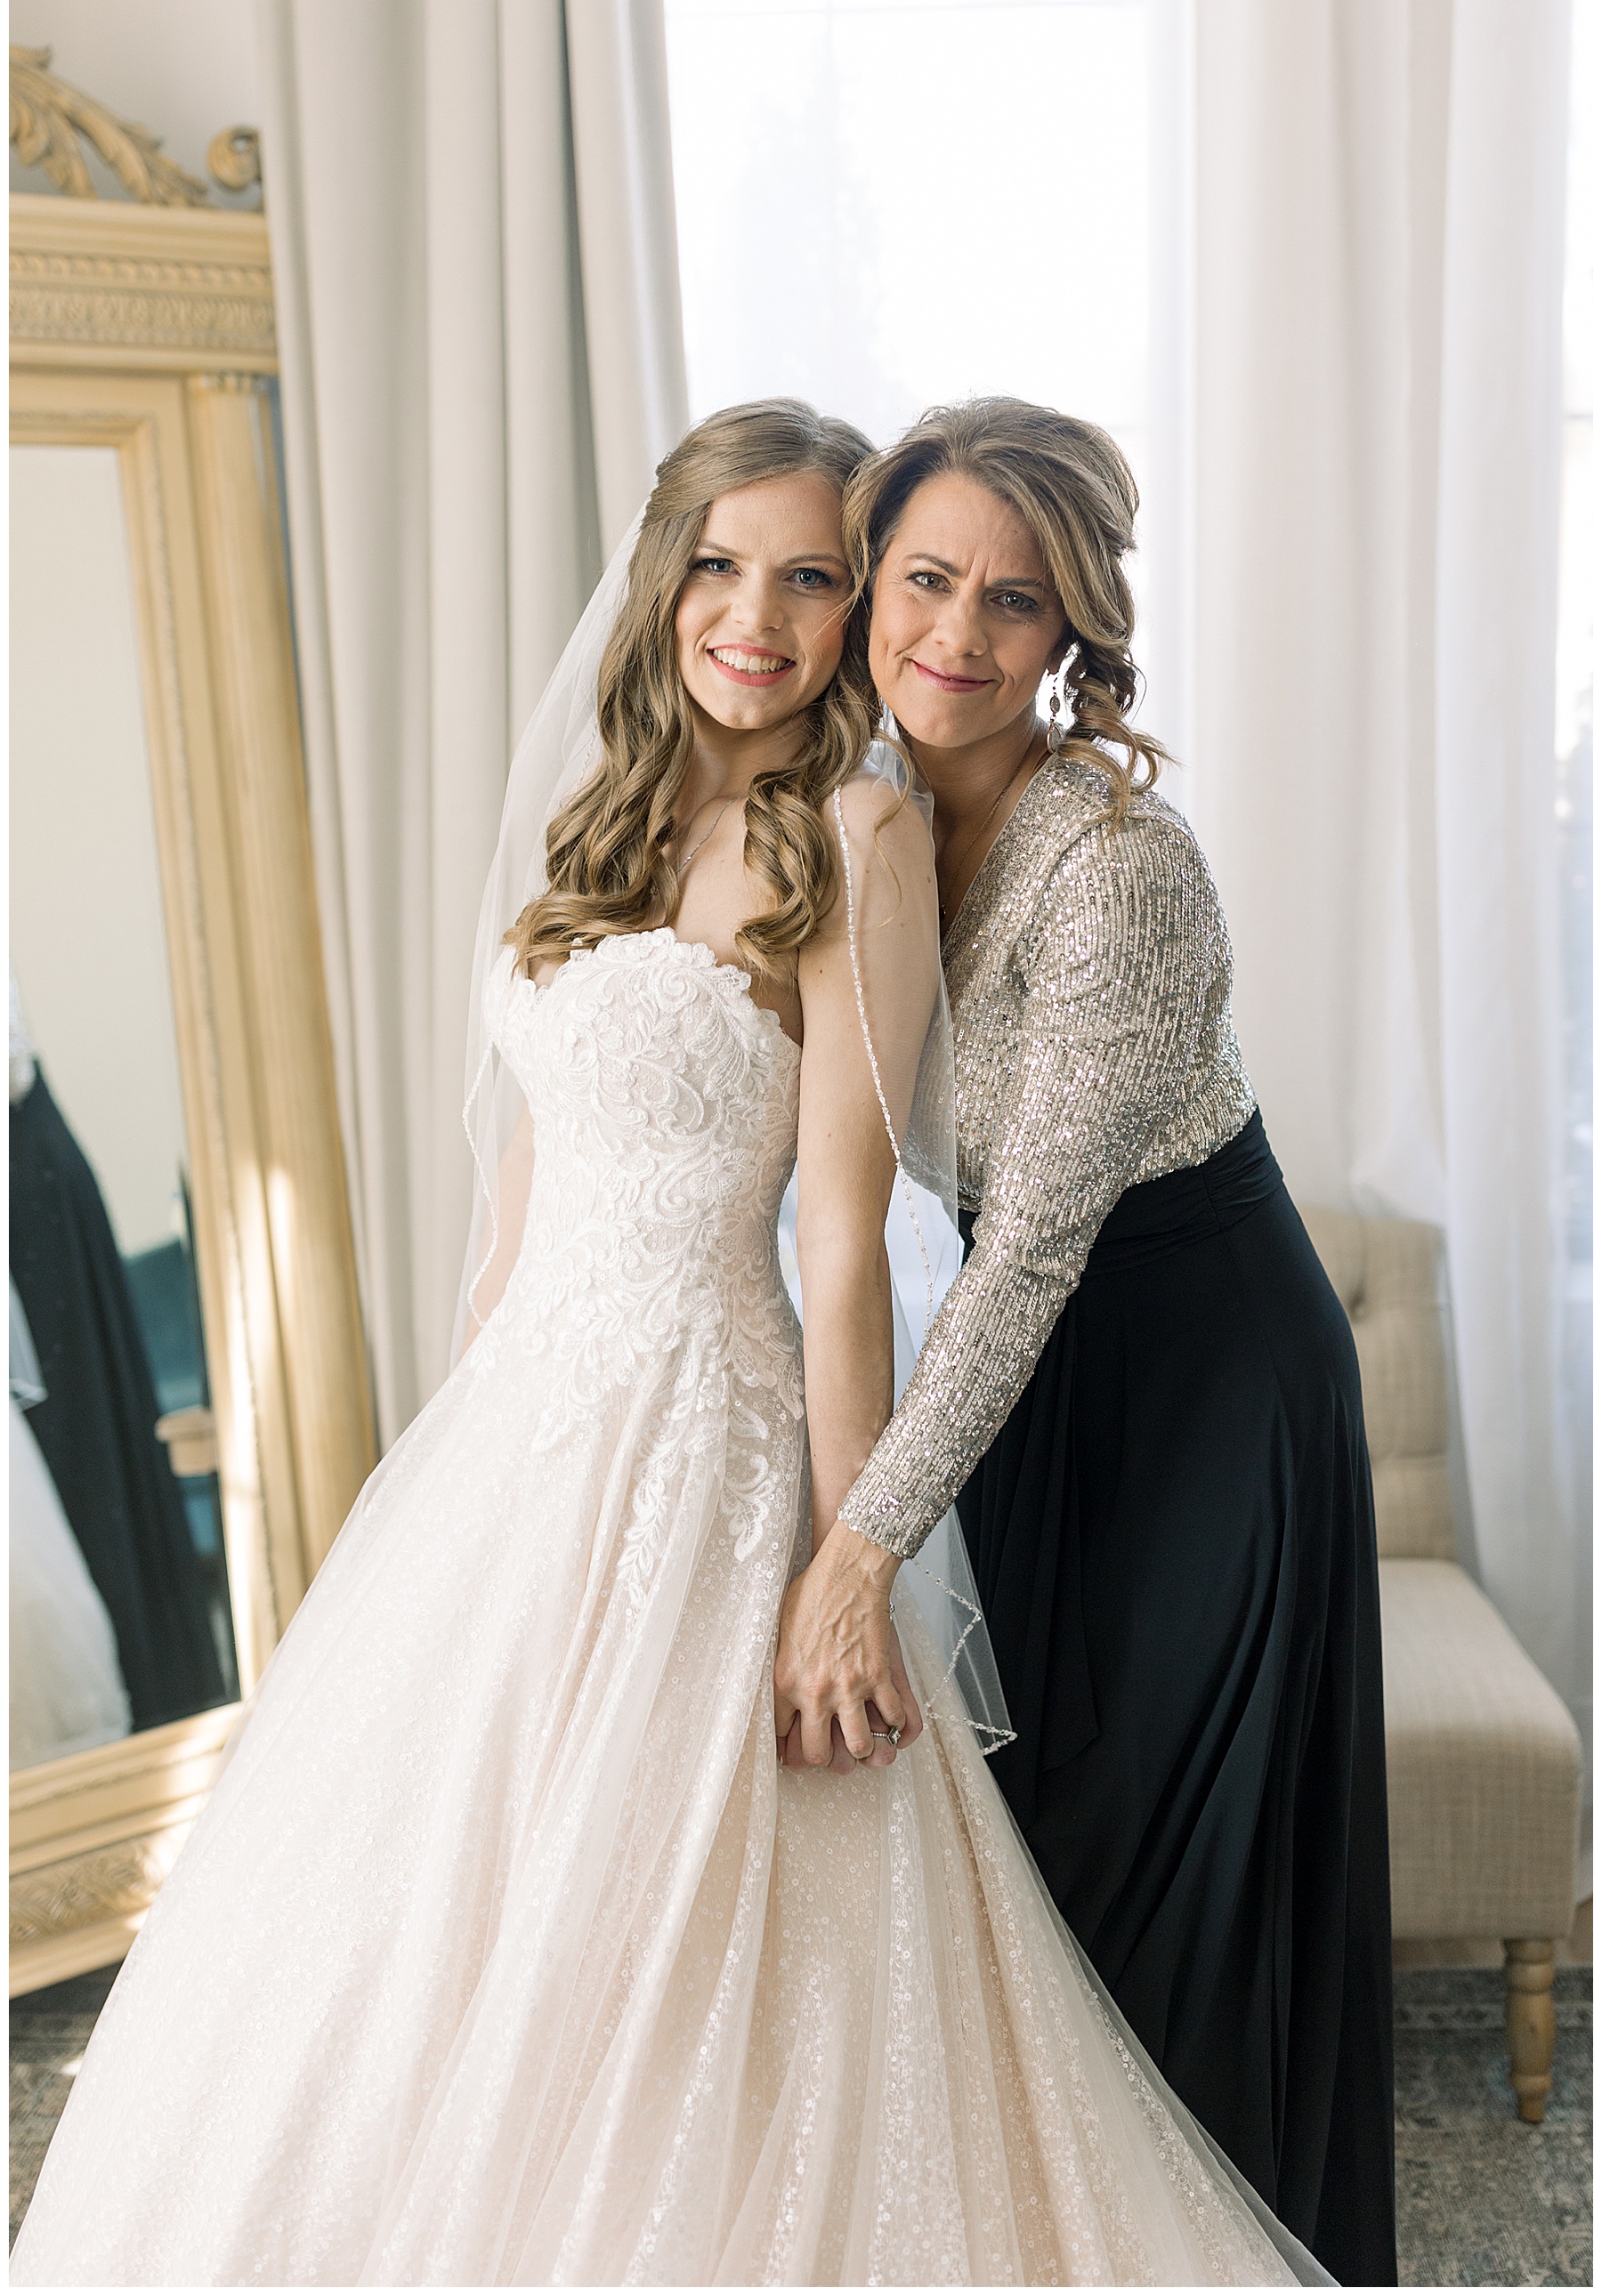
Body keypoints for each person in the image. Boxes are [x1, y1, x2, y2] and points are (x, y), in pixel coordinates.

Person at [13, 401, 1318, 2288]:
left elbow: (847, 1245)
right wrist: (453, 1450)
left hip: (709, 1430)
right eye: (720, 563)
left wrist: (852, 1559)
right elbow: (527, 1181)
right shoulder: (605, 817)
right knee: (418, 1921)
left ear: (853, 610)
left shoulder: (860, 834)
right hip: (521, 1440)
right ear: (663, 575)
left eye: (810, 577)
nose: (756, 617)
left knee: (695, 1934)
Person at [776, 398, 1396, 2288]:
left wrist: (857, 1550)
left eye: (1014, 600)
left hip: (1204, 1390)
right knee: (1037, 1886)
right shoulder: (877, 823)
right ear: (869, 583)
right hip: (1045, 1376)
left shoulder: (1117, 865)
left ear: (1074, 633)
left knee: (1161, 1909)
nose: (956, 635)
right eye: (925, 580)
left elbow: (1034, 1245)